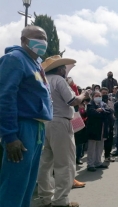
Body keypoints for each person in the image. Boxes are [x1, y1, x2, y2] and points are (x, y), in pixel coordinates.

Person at [0, 25, 53, 207]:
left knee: (27, 184)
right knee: (14, 185)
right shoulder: (14, 59)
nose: (43, 42)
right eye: (38, 37)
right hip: (22, 128)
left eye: (45, 38)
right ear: (23, 40)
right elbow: (5, 97)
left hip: (37, 128)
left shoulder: (36, 64)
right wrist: (10, 135)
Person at [37, 55, 90, 207]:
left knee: (45, 163)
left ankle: (45, 197)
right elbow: (72, 101)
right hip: (60, 122)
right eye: (64, 69)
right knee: (64, 163)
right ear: (60, 69)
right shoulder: (59, 80)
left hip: (45, 122)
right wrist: (83, 95)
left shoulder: (43, 80)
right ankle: (60, 200)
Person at [86, 91, 109, 172]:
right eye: (96, 95)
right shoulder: (90, 104)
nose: (98, 97)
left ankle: (98, 162)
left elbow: (109, 112)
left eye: (100, 95)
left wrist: (101, 110)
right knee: (92, 148)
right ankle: (90, 164)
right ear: (93, 97)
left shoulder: (103, 104)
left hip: (102, 129)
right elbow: (91, 113)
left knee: (100, 147)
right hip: (93, 129)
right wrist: (100, 112)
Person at [100, 87, 115, 162]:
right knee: (100, 142)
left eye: (106, 93)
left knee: (109, 140)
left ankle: (107, 155)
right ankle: (98, 159)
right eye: (103, 93)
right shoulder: (98, 102)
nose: (104, 94)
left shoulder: (110, 102)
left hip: (110, 123)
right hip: (101, 124)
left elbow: (111, 111)